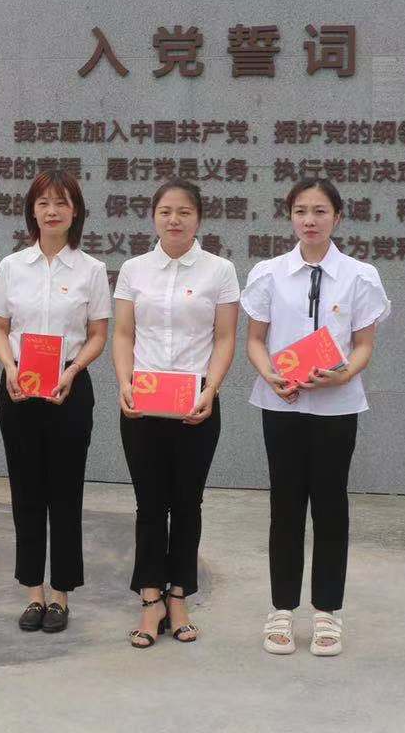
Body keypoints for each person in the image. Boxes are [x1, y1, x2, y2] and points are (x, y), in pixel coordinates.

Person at [242, 178, 388, 657]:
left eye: (320, 211)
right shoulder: (268, 273)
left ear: (337, 217)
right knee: (284, 507)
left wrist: (344, 374)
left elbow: (363, 344)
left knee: (330, 506)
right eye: (301, 211)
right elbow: (255, 340)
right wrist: (270, 376)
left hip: (336, 407)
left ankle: (327, 612)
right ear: (290, 216)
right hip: (281, 404)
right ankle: (281, 610)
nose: (310, 220)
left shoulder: (360, 275)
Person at [112, 179, 240, 648]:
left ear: (199, 218)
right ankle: (151, 599)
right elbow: (123, 334)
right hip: (143, 403)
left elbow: (225, 337)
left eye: (184, 211)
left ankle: (180, 595)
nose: (174, 219)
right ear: (153, 216)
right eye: (166, 211)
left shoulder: (220, 270)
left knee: (188, 504)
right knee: (150, 504)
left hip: (196, 404)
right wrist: (125, 383)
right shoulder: (134, 269)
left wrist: (212, 389)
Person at [0, 170, 110, 634]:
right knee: (25, 491)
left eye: (61, 203)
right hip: (19, 387)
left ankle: (60, 595)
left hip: (69, 389)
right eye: (43, 203)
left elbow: (98, 334)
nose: (52, 211)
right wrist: (9, 366)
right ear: (32, 211)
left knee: (65, 491)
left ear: (75, 212)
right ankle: (33, 593)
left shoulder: (91, 270)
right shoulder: (12, 266)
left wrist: (73, 371)